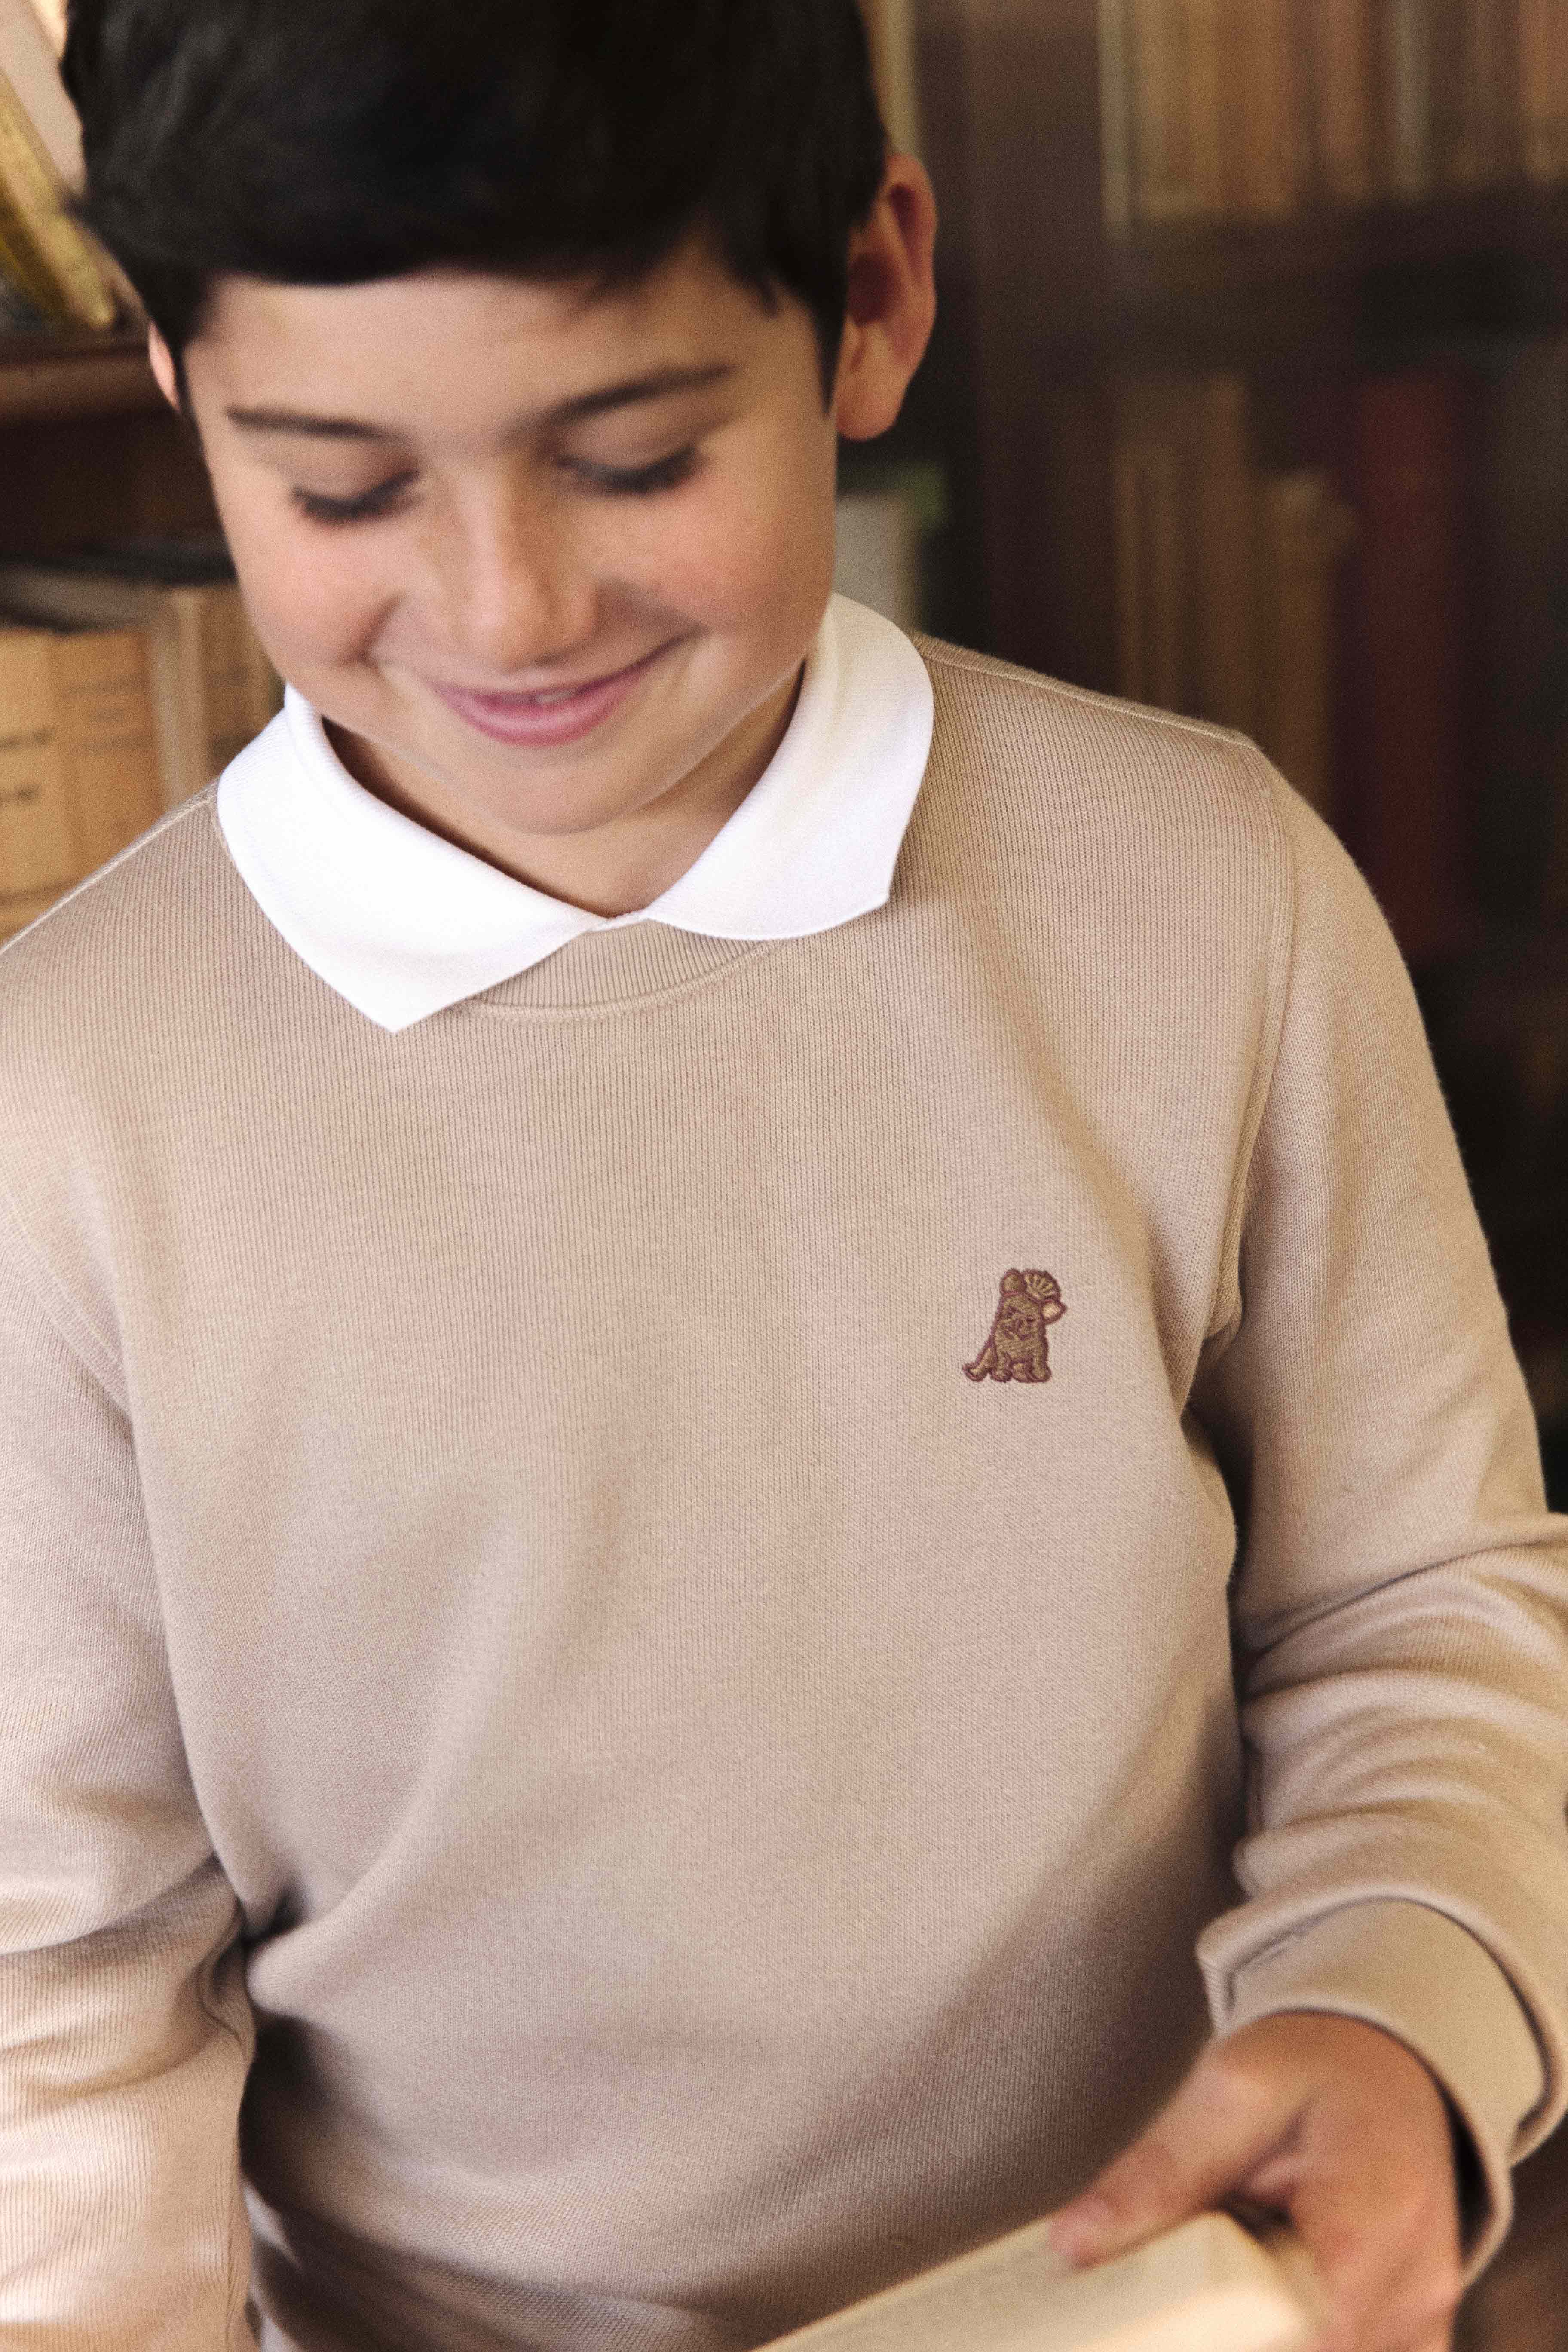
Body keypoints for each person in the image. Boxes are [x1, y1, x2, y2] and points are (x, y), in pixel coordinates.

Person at [2, 4, 1565, 2349]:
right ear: (176, 382)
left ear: (873, 297)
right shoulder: (70, 1114)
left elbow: (1420, 1608)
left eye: (633, 456)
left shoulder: (1205, 889)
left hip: (1175, 2309)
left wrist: (1397, 2011)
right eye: (342, 490)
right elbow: (63, 2011)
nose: (507, 607)